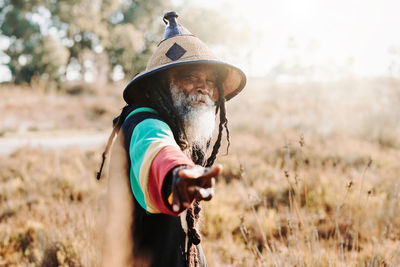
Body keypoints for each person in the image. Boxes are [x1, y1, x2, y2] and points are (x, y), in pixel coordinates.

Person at [99, 11, 246, 267]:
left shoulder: (181, 128)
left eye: (210, 81)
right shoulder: (143, 122)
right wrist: (176, 175)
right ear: (161, 85)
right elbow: (156, 151)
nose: (204, 88)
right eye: (191, 77)